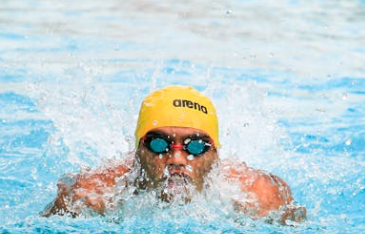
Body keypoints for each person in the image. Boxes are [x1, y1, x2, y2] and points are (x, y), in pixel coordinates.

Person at [43, 85, 305, 223]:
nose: (177, 159)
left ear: (215, 154)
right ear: (138, 152)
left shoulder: (260, 196)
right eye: (159, 144)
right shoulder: (90, 194)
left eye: (195, 147)